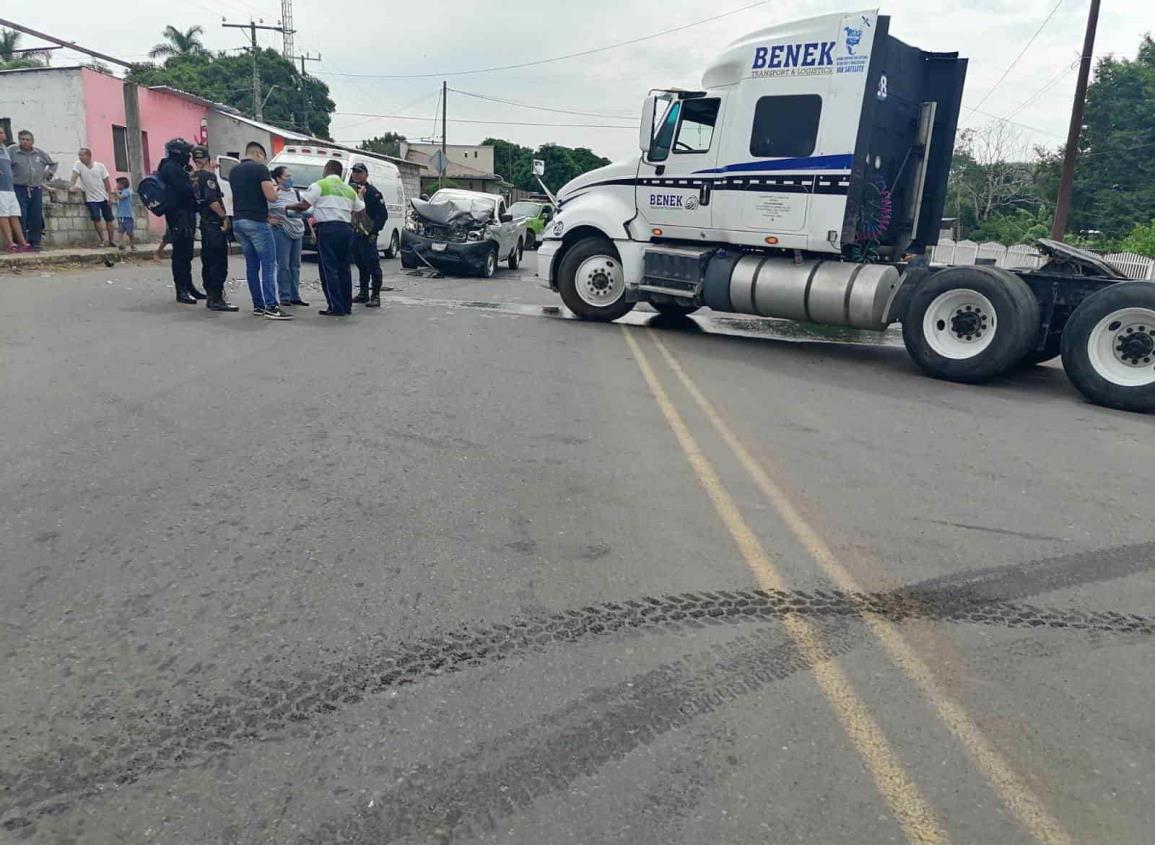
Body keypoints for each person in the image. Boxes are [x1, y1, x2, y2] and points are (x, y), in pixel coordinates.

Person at [290, 160, 364, 317]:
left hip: (328, 229)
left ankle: (335, 306)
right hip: (345, 229)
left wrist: (288, 207)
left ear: (327, 169)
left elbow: (304, 205)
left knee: (329, 269)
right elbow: (360, 210)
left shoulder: (320, 185)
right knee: (344, 268)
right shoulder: (348, 189)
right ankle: (346, 306)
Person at [228, 141, 291, 320]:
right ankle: (272, 306)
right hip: (257, 223)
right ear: (258, 154)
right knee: (269, 265)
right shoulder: (260, 169)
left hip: (239, 222)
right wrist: (276, 190)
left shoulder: (234, 171)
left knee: (252, 266)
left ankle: (258, 305)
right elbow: (270, 197)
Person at [157, 138, 204, 304]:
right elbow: (184, 190)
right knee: (180, 254)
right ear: (177, 153)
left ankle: (189, 286)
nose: (188, 155)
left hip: (186, 213)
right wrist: (193, 184)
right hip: (178, 214)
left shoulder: (179, 167)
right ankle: (181, 290)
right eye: (185, 152)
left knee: (187, 253)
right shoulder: (170, 168)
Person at [191, 146, 238, 312]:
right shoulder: (208, 177)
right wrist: (223, 217)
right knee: (218, 262)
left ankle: (211, 294)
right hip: (213, 223)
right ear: (206, 159)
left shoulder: (192, 177)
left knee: (208, 260)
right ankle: (216, 298)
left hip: (203, 222)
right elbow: (212, 200)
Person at [8, 129, 57, 252]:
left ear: (32, 141)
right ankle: (21, 242)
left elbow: (53, 164)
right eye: (22, 139)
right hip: (18, 188)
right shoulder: (12, 151)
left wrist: (47, 175)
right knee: (21, 216)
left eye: (27, 140)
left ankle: (35, 242)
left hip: (36, 188)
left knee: (35, 216)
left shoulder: (40, 153)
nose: (24, 142)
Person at [349, 163, 388, 308]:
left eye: (359, 172)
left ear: (366, 174)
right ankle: (363, 293)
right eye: (354, 172)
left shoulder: (373, 193)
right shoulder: (349, 190)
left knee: (373, 265)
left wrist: (374, 231)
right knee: (360, 263)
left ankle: (375, 296)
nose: (356, 175)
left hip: (368, 234)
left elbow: (382, 215)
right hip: (354, 233)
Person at [269, 166, 308, 308]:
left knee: (295, 265)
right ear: (278, 178)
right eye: (287, 176)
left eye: (290, 175)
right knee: (283, 265)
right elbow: (262, 209)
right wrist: (269, 220)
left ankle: (295, 295)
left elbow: (305, 210)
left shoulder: (296, 193)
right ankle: (284, 295)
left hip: (297, 230)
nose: (290, 178)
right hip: (281, 231)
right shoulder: (274, 193)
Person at [69, 148, 115, 248]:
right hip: (91, 198)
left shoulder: (100, 166)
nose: (80, 157)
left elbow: (107, 181)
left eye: (82, 155)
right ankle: (103, 240)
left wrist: (110, 196)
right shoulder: (78, 164)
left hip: (104, 197)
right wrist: (71, 186)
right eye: (79, 155)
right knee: (96, 219)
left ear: (89, 156)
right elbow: (74, 176)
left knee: (109, 219)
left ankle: (112, 241)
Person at [0, 129, 30, 252]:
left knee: (14, 215)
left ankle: (22, 242)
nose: (2, 134)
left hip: (10, 188)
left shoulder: (6, 149)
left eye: (2, 132)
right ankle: (10, 243)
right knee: (3, 215)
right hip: (0, 189)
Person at [114, 177, 136, 251]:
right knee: (120, 231)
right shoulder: (122, 192)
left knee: (130, 232)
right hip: (121, 215)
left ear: (123, 185)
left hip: (128, 216)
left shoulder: (127, 191)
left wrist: (116, 191)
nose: (117, 185)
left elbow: (121, 197)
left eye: (118, 184)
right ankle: (120, 244)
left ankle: (132, 245)